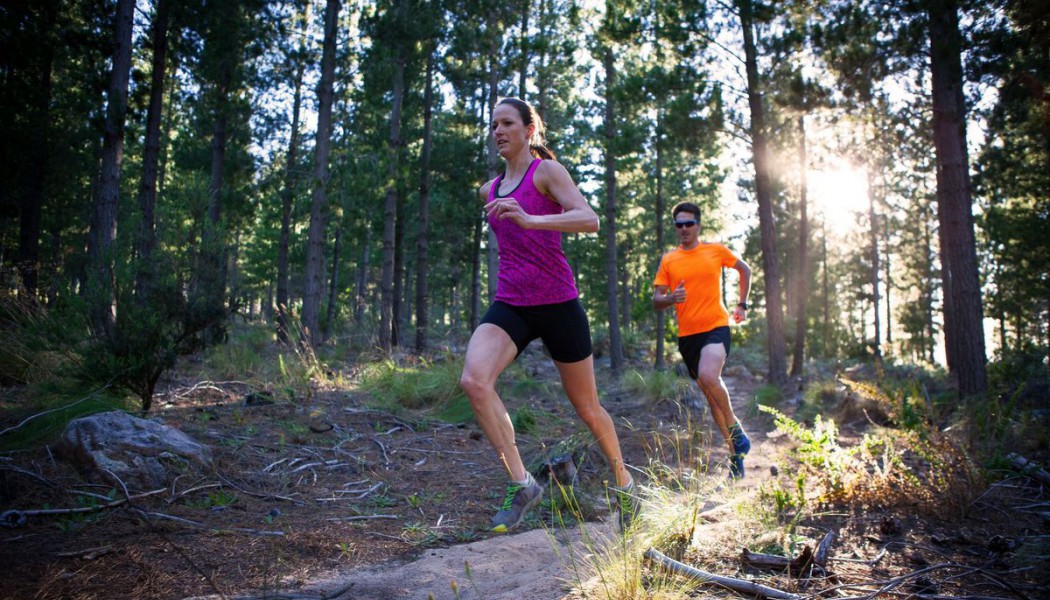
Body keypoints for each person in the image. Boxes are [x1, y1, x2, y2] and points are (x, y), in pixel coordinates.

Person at [459, 97, 637, 533]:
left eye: (507, 123)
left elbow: (589, 219)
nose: (498, 131)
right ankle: (522, 484)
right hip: (512, 303)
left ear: (528, 129)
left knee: (588, 408)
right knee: (474, 381)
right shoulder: (489, 189)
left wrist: (531, 220)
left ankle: (625, 485)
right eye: (494, 125)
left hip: (558, 303)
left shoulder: (547, 173)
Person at [651, 202, 754, 478]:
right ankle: (736, 456)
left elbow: (745, 269)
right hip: (688, 337)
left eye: (688, 223)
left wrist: (742, 304)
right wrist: (671, 298)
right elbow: (656, 300)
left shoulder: (714, 250)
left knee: (710, 376)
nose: (683, 229)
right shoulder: (669, 260)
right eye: (678, 225)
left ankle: (737, 432)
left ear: (698, 225)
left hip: (716, 327)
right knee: (712, 399)